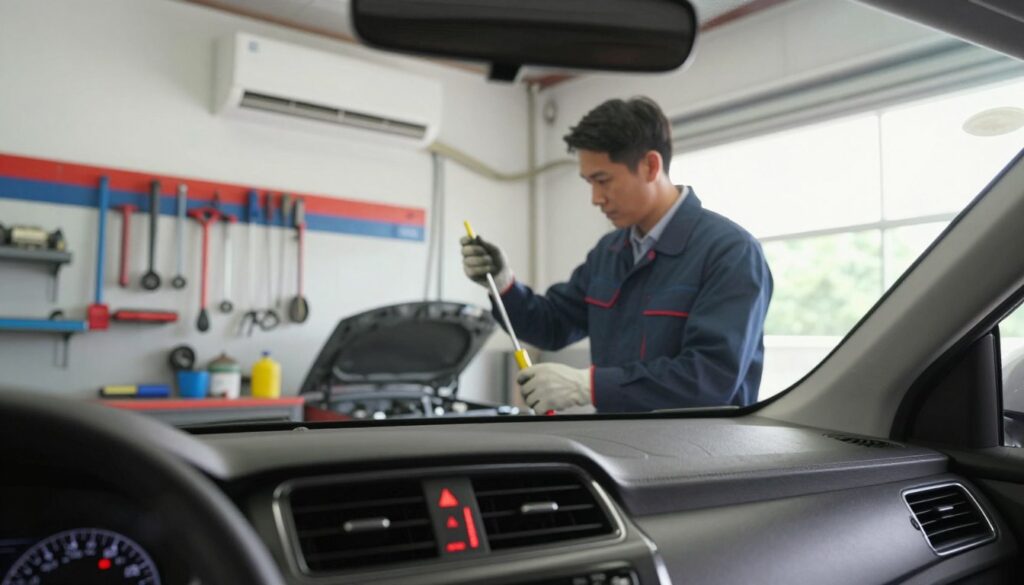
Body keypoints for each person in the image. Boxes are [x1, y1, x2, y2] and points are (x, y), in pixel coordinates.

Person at [462, 97, 772, 414]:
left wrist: (590, 386)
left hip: (696, 457)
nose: (595, 198)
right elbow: (552, 325)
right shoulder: (609, 253)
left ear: (651, 166)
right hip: (619, 449)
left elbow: (709, 380)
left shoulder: (730, 252)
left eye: (603, 180)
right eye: (589, 182)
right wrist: (502, 284)